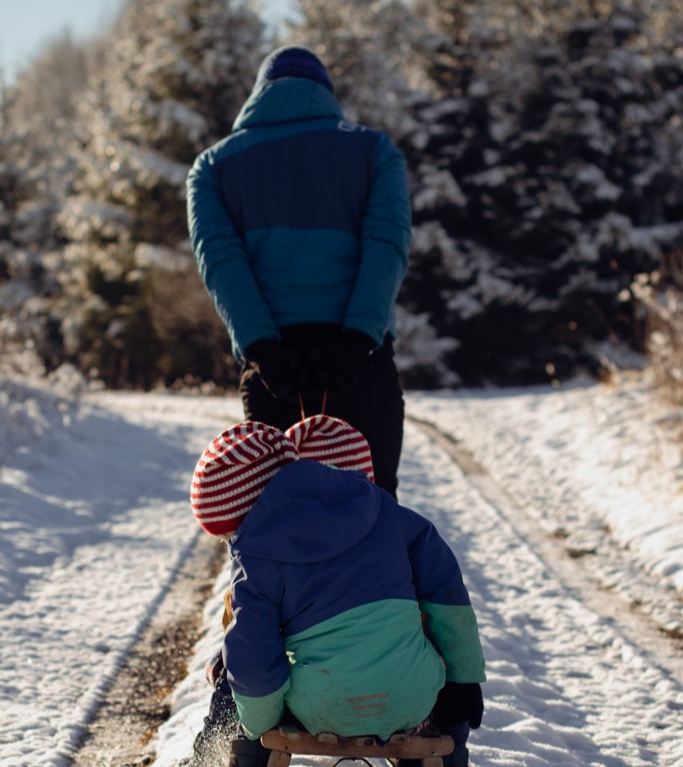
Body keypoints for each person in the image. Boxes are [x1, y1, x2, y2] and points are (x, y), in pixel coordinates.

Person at [185, 416, 485, 767]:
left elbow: (253, 661)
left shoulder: (255, 558)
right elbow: (446, 591)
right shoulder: (382, 507)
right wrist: (463, 678)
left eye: (228, 535)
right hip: (413, 698)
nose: (231, 544)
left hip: (321, 705)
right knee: (444, 675)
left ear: (246, 509)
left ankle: (237, 760)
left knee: (244, 681)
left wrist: (258, 724)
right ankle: (451, 760)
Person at [186, 45, 412, 497]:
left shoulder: (212, 168)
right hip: (358, 362)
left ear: (260, 94)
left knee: (281, 525)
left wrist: (262, 348)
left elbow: (223, 264)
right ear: (322, 92)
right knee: (375, 519)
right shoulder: (373, 150)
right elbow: (386, 246)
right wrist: (358, 339)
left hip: (275, 370)